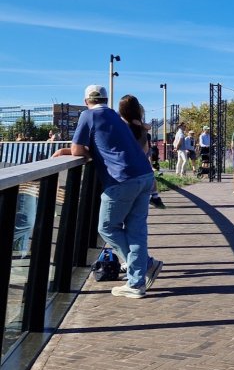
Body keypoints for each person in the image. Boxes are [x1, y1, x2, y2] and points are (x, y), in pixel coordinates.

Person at [53, 85, 162, 298]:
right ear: (105, 99)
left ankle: (144, 266)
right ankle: (136, 282)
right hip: (145, 176)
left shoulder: (88, 115)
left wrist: (67, 150)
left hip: (122, 180)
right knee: (136, 231)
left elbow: (77, 150)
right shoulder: (114, 116)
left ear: (86, 101)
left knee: (106, 227)